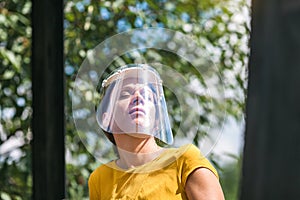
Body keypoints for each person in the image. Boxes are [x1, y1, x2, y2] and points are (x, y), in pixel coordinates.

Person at [88, 64, 224, 200]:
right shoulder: (100, 178)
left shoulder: (185, 161)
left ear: (157, 121)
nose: (138, 98)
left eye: (147, 96)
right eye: (125, 94)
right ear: (106, 119)